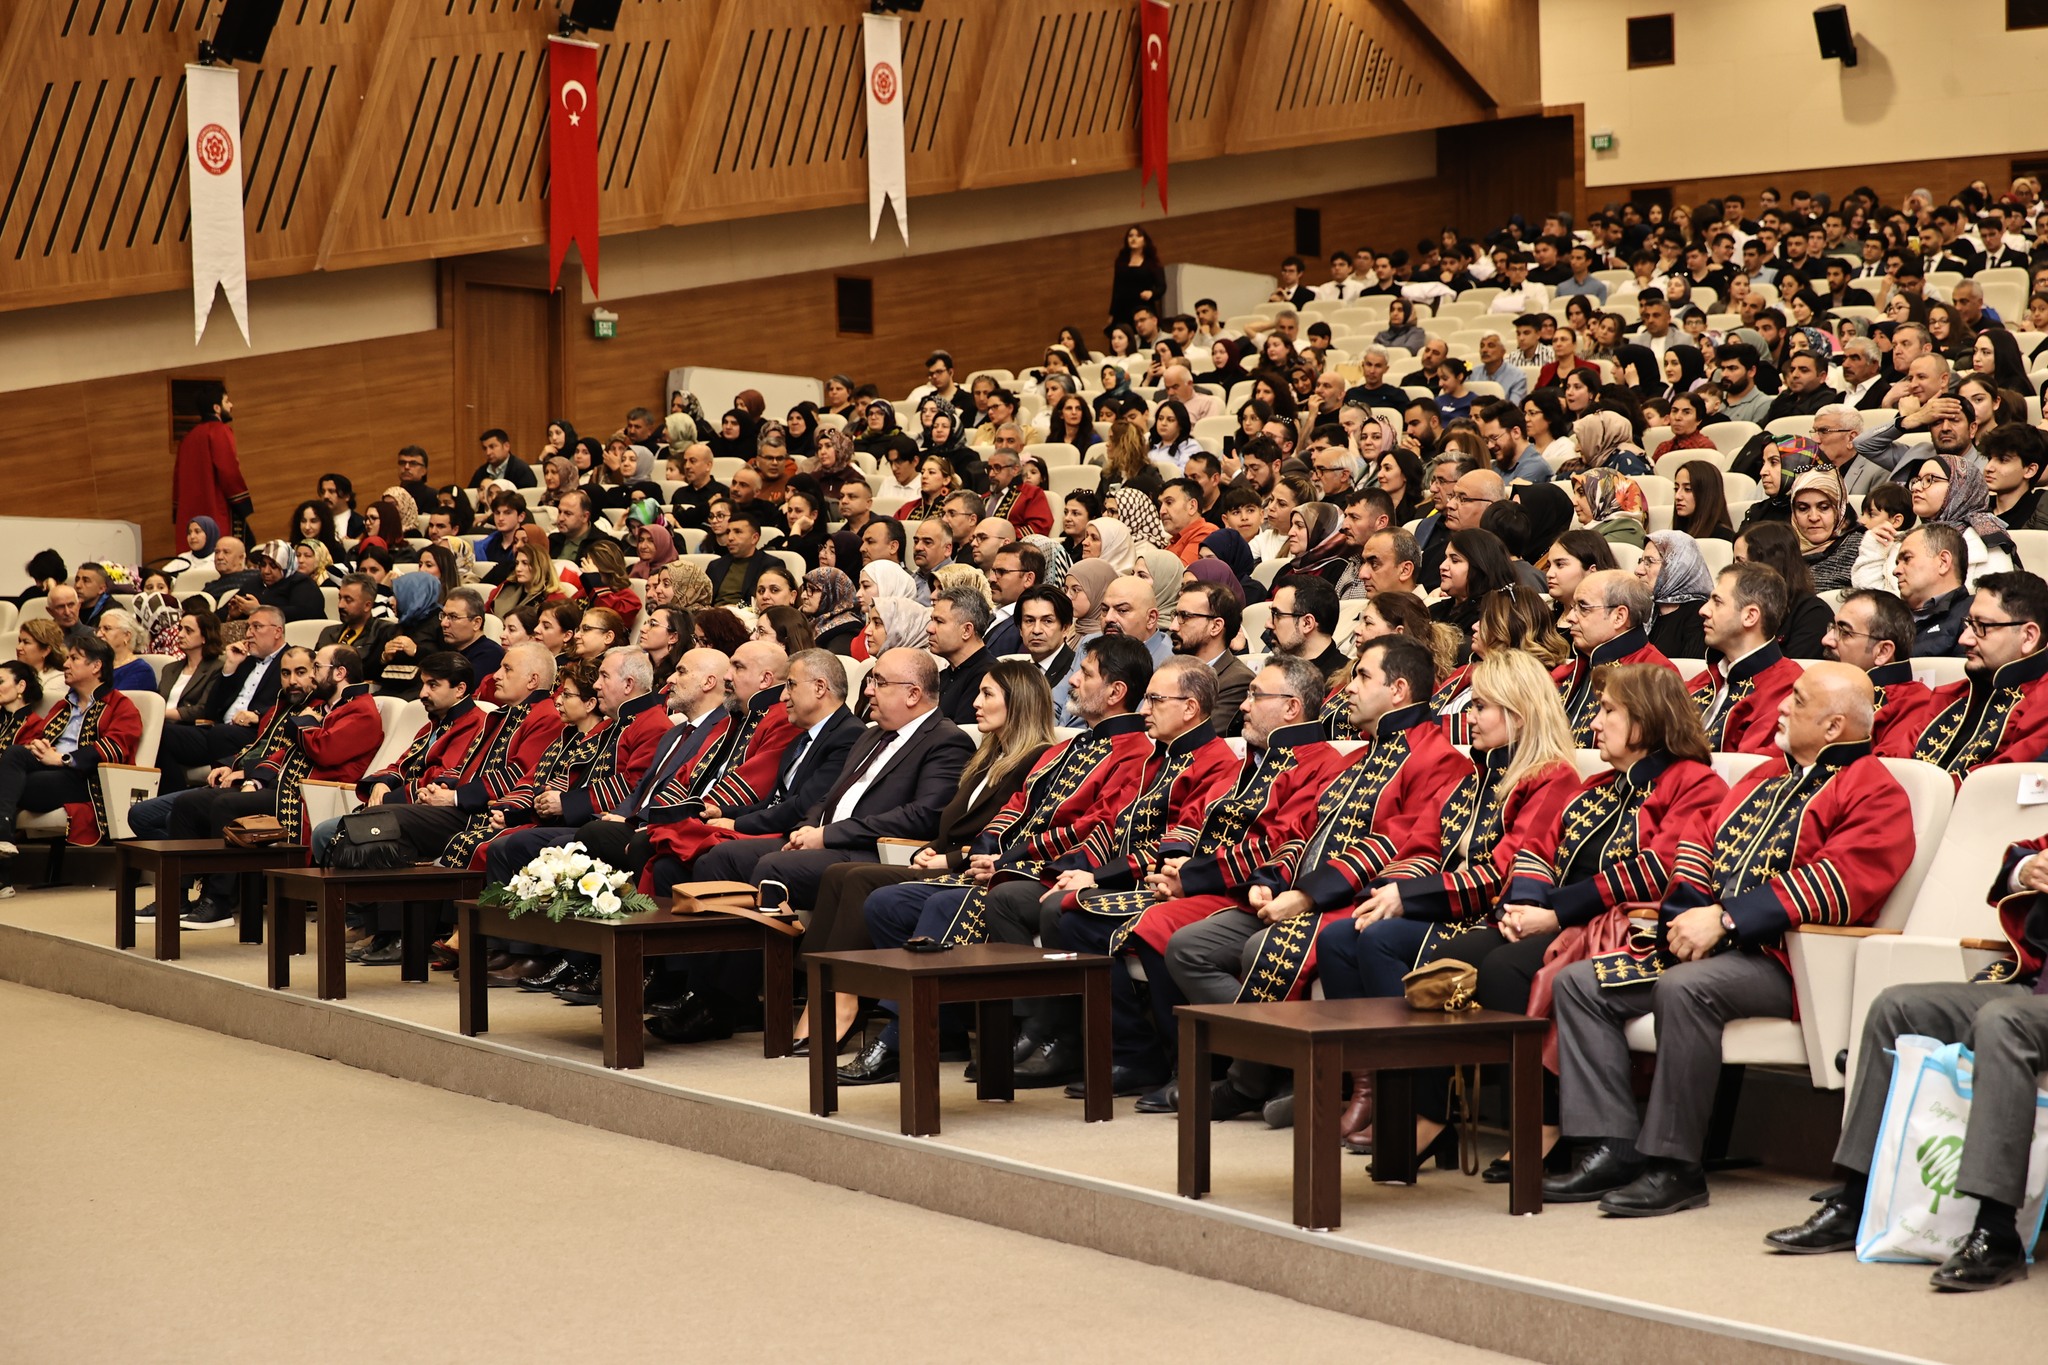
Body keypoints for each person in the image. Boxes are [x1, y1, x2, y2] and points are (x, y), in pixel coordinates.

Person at [1545, 663, 1913, 1217]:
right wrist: (1689, 916)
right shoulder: (1764, 775)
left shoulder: (1875, 789)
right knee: (1577, 984)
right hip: (1708, 949)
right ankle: (1610, 1147)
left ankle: (1676, 1167)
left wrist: (1727, 921)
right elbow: (1698, 842)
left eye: (1797, 698)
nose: (1781, 707)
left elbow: (1842, 883)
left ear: (1835, 725)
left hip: (1787, 962)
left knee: (1686, 990)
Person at [1154, 637, 1475, 1117]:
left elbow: (1398, 844)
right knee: (1188, 946)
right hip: (1301, 893)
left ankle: (1254, 1080)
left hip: (1349, 900)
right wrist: (1272, 878)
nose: (1348, 687)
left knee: (1257, 948)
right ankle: (1287, 1069)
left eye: (1363, 676)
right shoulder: (1357, 758)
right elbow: (1299, 833)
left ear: (1400, 690)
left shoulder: (1440, 760)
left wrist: (1305, 895)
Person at [847, 637, 1168, 1084]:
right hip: (1009, 864)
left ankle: (909, 1038)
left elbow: (1095, 826)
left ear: (1115, 692)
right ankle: (951, 1029)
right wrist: (985, 850)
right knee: (885, 903)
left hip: (1050, 869)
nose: (1072, 679)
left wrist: (1008, 859)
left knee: (951, 904)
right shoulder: (1066, 746)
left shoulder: (1136, 751)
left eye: (1085, 673)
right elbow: (1015, 806)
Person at [1315, 650, 1580, 1157]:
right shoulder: (1473, 776)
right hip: (1448, 908)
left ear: (1518, 713)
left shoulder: (1550, 777)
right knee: (1339, 937)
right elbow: (1422, 850)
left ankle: (1424, 1107)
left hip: (1489, 919)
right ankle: (1372, 1088)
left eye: (1482, 707)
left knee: (1379, 941)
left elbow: (1507, 870)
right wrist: (1390, 894)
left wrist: (1408, 900)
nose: (1469, 717)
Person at [1481, 665, 1728, 1175]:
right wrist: (1522, 908)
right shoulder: (1596, 784)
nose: (1593, 723)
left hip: (1630, 930)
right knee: (1467, 955)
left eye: (1608, 711)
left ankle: (1547, 1126)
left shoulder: (1693, 783)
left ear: (1644, 720)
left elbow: (1658, 868)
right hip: (1563, 923)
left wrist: (1553, 913)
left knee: (1505, 969)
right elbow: (1536, 852)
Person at [1764, 862, 2048, 1289]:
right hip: (2033, 987)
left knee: (2001, 1022)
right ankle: (1857, 1202)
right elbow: (2017, 862)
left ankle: (1998, 1232)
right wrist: (2026, 871)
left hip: (2022, 1008)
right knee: (1896, 1008)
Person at [798, 662, 1060, 1054]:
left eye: (988, 694)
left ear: (1019, 703)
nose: (975, 702)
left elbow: (1015, 836)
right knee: (846, 877)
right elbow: (950, 825)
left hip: (980, 874)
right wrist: (933, 849)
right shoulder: (985, 759)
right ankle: (821, 991)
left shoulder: (1037, 762)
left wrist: (949, 859)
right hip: (949, 865)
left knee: (860, 881)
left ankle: (859, 1003)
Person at [163, 645, 383, 927]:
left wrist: (304, 723)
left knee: (225, 805)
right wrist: (254, 779)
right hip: (285, 786)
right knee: (189, 803)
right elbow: (288, 752)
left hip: (310, 795)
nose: (313, 677)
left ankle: (218, 901)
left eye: (317, 668)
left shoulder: (362, 710)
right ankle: (177, 896)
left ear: (340, 673)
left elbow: (324, 750)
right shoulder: (330, 708)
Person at [0, 638, 142, 867]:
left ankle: (3, 866)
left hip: (86, 778)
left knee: (16, 784)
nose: (65, 664)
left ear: (96, 666)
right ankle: (2, 839)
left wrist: (64, 759)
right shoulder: (62, 706)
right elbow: (43, 740)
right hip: (48, 769)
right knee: (16, 753)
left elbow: (116, 747)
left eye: (74, 658)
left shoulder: (120, 705)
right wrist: (38, 747)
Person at [1901, 571, 2048, 782]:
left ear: (2028, 637)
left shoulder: (2042, 704)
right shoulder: (1950, 695)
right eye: (1968, 623)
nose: (1964, 639)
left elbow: (1994, 789)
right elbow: (1895, 771)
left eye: (1982, 626)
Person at [1552, 569, 1679, 744]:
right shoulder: (1568, 671)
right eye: (1573, 608)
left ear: (1619, 617)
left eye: (1583, 607)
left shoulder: (1655, 674)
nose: (1571, 617)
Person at [1689, 562, 1805, 752]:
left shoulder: (1788, 689)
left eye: (1717, 602)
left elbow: (1746, 772)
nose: (1703, 610)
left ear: (1750, 616)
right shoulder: (1708, 677)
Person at [172, 382, 251, 541]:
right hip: (215, 511)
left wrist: (177, 512)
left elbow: (177, 480)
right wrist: (243, 504)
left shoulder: (187, 439)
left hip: (188, 516)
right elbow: (229, 470)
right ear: (216, 408)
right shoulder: (220, 431)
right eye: (226, 401)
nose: (231, 405)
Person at [1635, 532, 1713, 660]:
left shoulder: (1700, 616)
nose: (1638, 570)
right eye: (1641, 561)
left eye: (1649, 562)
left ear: (1676, 567)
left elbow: (1690, 674)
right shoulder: (1644, 609)